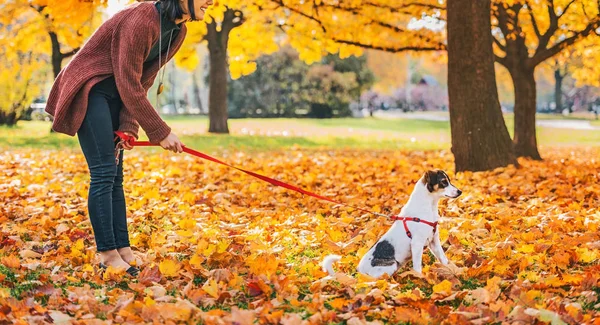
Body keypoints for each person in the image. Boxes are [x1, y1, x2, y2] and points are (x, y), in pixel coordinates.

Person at [44, 0, 213, 276]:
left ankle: (122, 249)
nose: (210, 2)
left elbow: (143, 80)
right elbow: (127, 82)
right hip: (92, 87)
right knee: (103, 172)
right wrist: (160, 131)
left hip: (117, 93)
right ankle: (107, 253)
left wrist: (128, 127)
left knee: (116, 176)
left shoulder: (178, 31)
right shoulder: (143, 19)